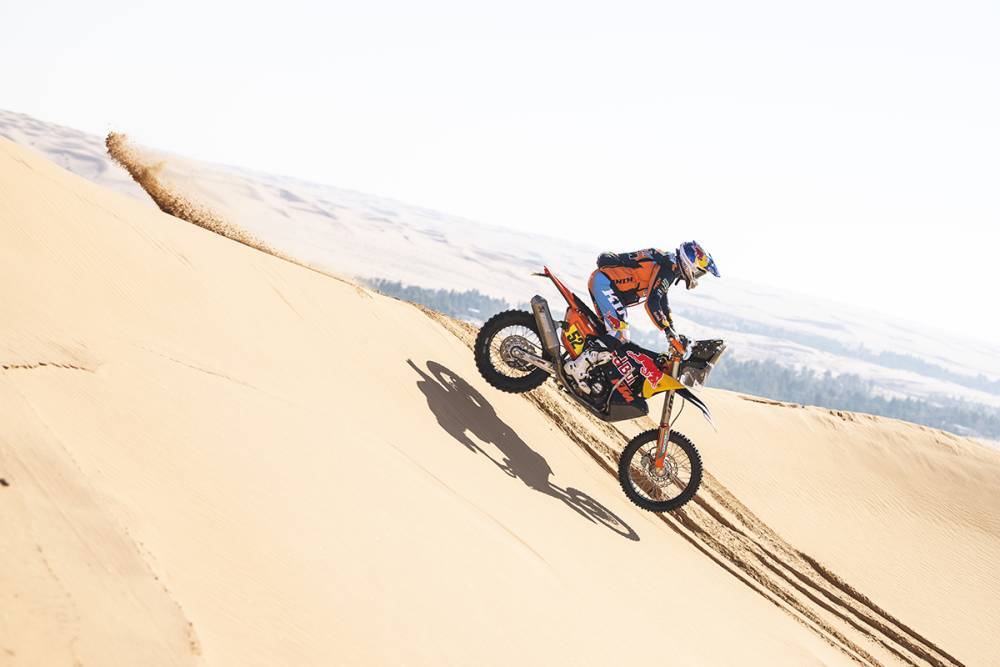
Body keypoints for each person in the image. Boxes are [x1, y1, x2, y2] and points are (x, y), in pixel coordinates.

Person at [564, 241, 720, 392]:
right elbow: (652, 303)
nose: (697, 276)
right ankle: (577, 368)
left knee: (607, 335)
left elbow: (662, 302)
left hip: (604, 282)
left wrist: (671, 329)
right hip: (605, 283)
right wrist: (667, 331)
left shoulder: (668, 263)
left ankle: (585, 368)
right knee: (619, 335)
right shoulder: (667, 268)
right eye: (699, 271)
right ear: (690, 264)